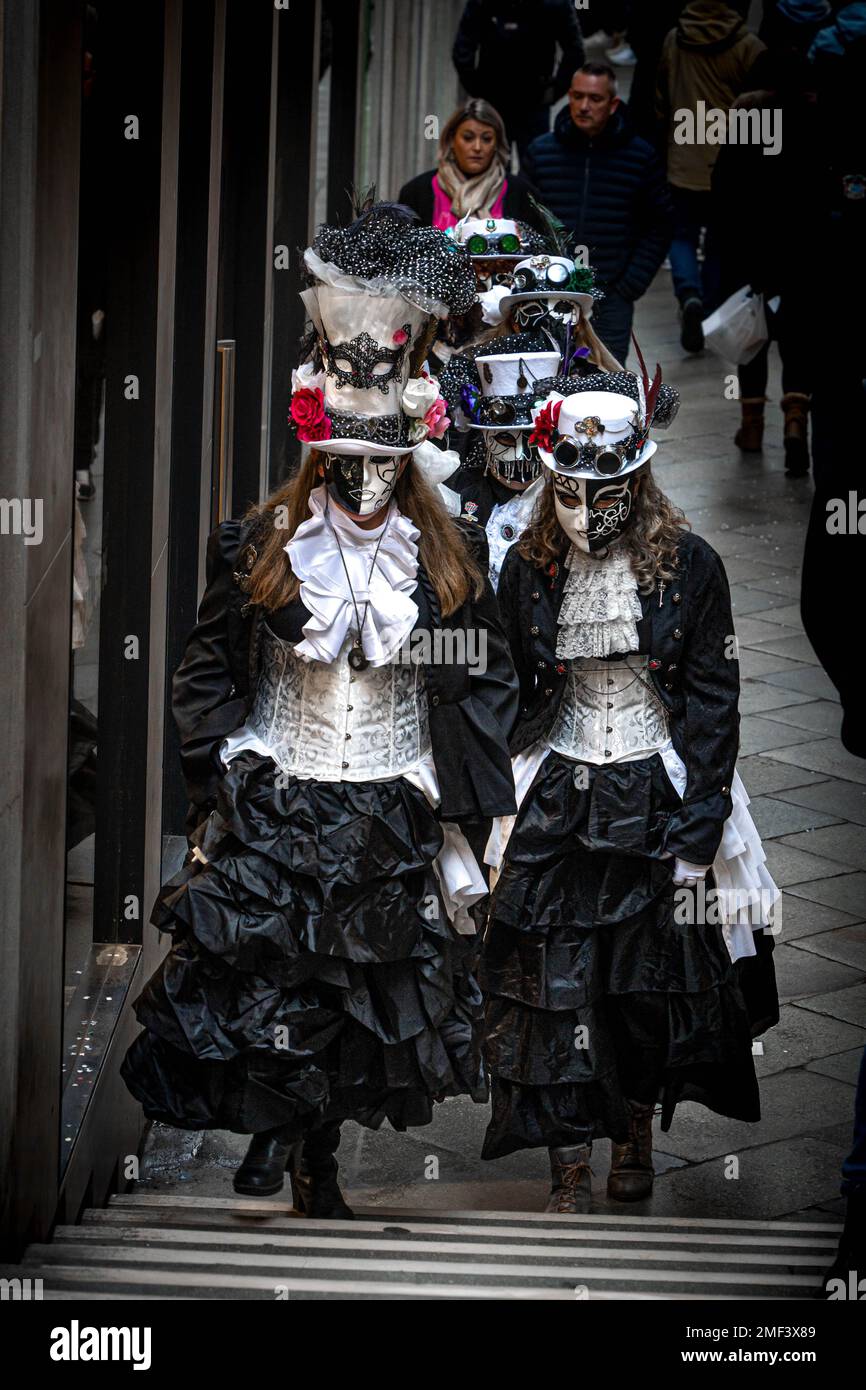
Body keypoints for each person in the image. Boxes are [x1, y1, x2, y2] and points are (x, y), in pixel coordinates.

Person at [120, 204, 519, 1214]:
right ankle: (277, 1133)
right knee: (276, 974)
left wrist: (468, 807)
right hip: (281, 790)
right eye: (349, 459)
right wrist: (213, 775)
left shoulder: (449, 558)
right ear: (319, 454)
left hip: (385, 797)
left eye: (383, 460)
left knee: (355, 990)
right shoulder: (260, 544)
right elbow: (208, 667)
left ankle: (316, 1155)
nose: (367, 480)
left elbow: (483, 680)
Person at [480, 372, 778, 1213]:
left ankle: (633, 1131)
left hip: (656, 788)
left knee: (645, 983)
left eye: (603, 491)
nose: (584, 511)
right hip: (558, 792)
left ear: (637, 481)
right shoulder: (526, 568)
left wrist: (700, 828)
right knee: (553, 979)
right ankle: (568, 1157)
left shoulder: (693, 565)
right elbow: (504, 684)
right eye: (568, 491)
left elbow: (714, 701)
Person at [711, 1, 826, 469]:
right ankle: (796, 421)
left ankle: (753, 426)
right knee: (798, 337)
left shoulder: (745, 119)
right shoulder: (815, 119)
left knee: (752, 337)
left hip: (749, 250)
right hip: (803, 250)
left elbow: (723, 187)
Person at [521, 62, 673, 366]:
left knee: (606, 382)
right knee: (545, 378)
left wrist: (630, 285)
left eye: (595, 98)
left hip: (611, 296)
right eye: (577, 96)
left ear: (613, 104)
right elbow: (523, 219)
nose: (584, 106)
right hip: (548, 291)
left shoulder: (639, 157)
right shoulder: (541, 152)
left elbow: (660, 223)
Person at [655, 1, 765, 352]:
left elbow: (662, 95)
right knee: (719, 242)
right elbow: (762, 110)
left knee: (681, 235)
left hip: (684, 159)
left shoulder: (675, 38)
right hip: (730, 166)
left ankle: (689, 294)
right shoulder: (749, 47)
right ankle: (709, 311)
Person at [451, 0, 585, 162]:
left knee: (522, 165)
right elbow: (462, 53)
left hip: (524, 99)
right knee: (519, 164)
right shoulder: (483, 4)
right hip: (511, 99)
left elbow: (575, 53)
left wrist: (555, 91)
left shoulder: (554, 5)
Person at [398, 100, 541, 231]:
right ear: (451, 140)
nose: (477, 147)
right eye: (468, 138)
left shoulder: (524, 196)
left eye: (487, 139)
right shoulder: (415, 192)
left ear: (497, 144)